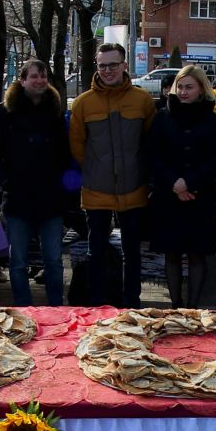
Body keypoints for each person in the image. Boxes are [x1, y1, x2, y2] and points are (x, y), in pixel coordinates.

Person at [70, 44, 157, 307]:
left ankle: (132, 305)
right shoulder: (83, 103)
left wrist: (142, 174)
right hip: (96, 191)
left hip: (134, 189)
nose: (107, 70)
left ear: (124, 65)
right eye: (102, 65)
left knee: (132, 253)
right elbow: (77, 145)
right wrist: (96, 171)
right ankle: (96, 306)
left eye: (113, 64)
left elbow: (150, 143)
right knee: (95, 252)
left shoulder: (142, 100)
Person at [0, 62, 71, 308]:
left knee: (54, 260)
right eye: (34, 76)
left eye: (43, 76)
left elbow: (65, 153)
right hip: (18, 199)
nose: (40, 81)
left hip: (50, 199)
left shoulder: (55, 111)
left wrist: (63, 184)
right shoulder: (4, 112)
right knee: (18, 261)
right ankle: (23, 307)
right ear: (22, 80)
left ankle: (56, 307)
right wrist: (6, 182)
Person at [147, 64, 216, 308]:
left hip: (201, 197)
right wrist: (175, 183)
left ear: (201, 89)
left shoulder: (213, 121)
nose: (183, 91)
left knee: (197, 254)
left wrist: (189, 182)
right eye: (179, 86)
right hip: (169, 196)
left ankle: (192, 308)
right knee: (172, 253)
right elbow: (153, 156)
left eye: (189, 87)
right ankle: (175, 306)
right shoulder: (162, 117)